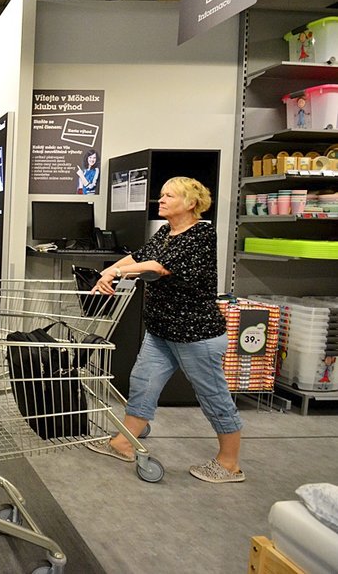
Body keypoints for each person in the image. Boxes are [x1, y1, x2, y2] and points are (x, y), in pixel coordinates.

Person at [86, 177, 244, 484]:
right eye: (162, 195)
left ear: (191, 203)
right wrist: (109, 270)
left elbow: (157, 268)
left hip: (196, 334)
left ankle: (229, 463)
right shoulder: (166, 232)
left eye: (169, 196)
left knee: (212, 395)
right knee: (143, 382)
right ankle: (123, 443)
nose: (161, 200)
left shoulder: (200, 234)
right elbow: (141, 257)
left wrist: (117, 272)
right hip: (161, 330)